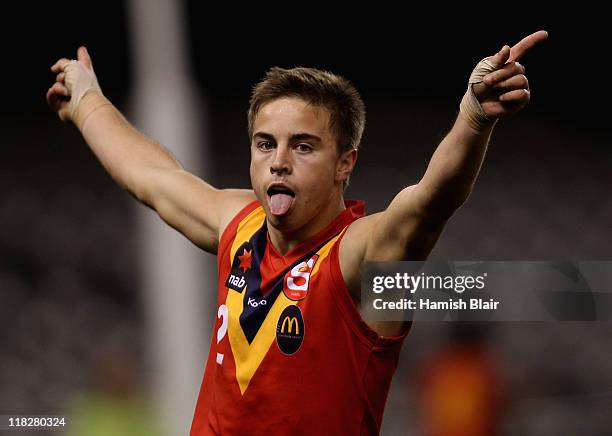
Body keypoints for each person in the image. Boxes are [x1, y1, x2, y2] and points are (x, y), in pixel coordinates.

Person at [47, 30, 548, 435]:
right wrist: (88, 102)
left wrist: (474, 116)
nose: (278, 163)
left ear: (344, 164)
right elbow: (152, 178)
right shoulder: (238, 223)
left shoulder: (357, 255)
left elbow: (431, 200)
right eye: (265, 144)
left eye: (303, 147)